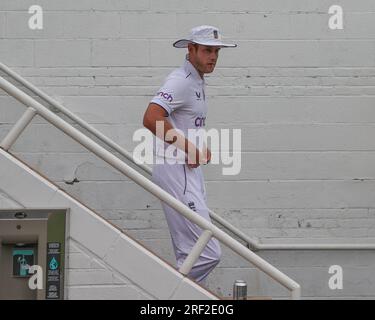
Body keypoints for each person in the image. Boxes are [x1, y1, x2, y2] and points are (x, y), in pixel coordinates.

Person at [143, 25, 237, 285]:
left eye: (217, 51)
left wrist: (196, 146)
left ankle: (187, 296)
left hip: (187, 171)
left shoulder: (196, 81)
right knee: (208, 253)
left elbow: (185, 125)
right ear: (191, 49)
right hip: (176, 171)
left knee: (191, 253)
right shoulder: (180, 81)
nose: (213, 57)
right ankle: (167, 292)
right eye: (207, 50)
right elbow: (151, 118)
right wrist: (188, 148)